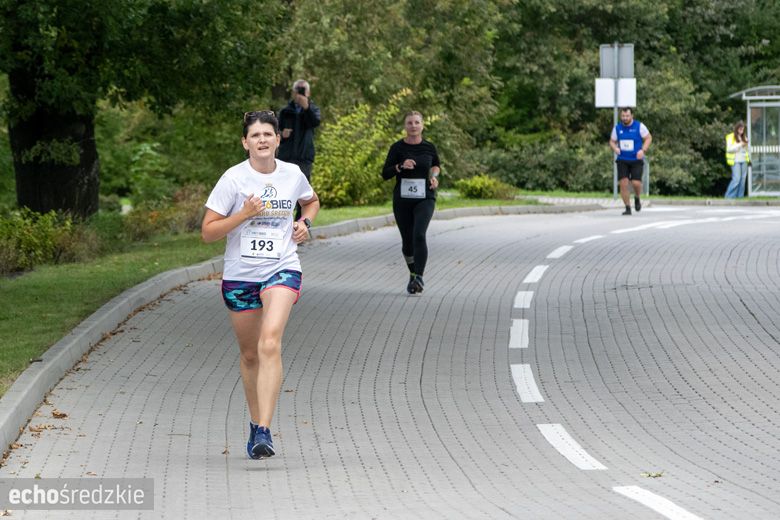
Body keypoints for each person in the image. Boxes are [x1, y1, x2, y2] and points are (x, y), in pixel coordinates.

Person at [201, 110, 320, 459]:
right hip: (240, 275)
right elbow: (208, 232)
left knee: (270, 342)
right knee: (251, 353)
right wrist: (243, 215)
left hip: (281, 267)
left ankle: (265, 430)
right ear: (245, 142)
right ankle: (255, 424)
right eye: (255, 136)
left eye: (268, 134)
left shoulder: (292, 174)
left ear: (278, 140)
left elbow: (310, 202)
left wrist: (305, 223)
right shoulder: (233, 179)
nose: (263, 140)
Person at [382, 111, 441, 294]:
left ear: (422, 126)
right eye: (410, 123)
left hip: (425, 197)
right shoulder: (397, 148)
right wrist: (400, 166)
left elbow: (436, 165)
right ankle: (413, 274)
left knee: (419, 235)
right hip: (403, 200)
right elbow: (385, 173)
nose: (413, 126)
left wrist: (434, 177)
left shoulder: (429, 147)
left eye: (417, 122)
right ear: (405, 126)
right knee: (407, 242)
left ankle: (419, 278)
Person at [278, 79, 321, 219]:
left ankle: (299, 227)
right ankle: (284, 224)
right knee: (285, 192)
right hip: (287, 157)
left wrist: (306, 108)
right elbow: (274, 132)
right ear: (293, 92)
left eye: (303, 90)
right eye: (298, 90)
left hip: (304, 157)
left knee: (303, 194)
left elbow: (315, 122)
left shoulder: (313, 109)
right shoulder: (286, 111)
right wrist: (281, 134)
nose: (300, 93)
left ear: (308, 92)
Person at [609, 107, 652, 215]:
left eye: (627, 116)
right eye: (623, 116)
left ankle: (637, 197)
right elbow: (612, 141)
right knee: (623, 183)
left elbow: (648, 138)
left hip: (636, 159)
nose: (625, 118)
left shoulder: (639, 126)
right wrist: (615, 148)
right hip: (622, 159)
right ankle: (627, 207)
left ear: (631, 116)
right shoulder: (617, 128)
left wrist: (643, 150)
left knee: (636, 183)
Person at [725, 120, 750, 198]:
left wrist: (746, 146)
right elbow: (729, 149)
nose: (741, 131)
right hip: (735, 161)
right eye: (740, 129)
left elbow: (748, 150)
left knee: (742, 181)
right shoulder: (730, 136)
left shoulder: (744, 137)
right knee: (736, 179)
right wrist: (739, 144)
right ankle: (729, 197)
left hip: (744, 160)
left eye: (742, 129)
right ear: (736, 128)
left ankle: (740, 198)